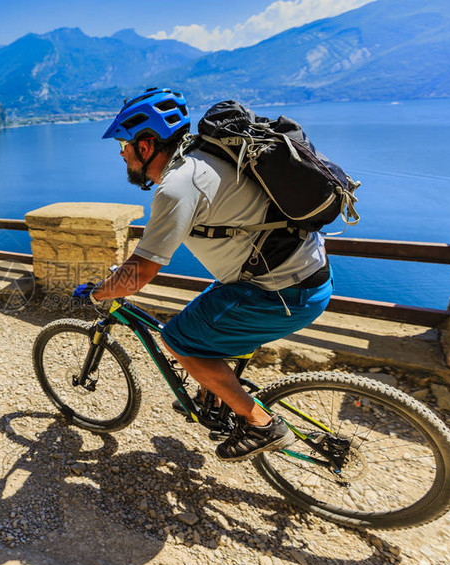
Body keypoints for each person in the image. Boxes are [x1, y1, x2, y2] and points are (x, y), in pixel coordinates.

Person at [72, 87, 333, 462]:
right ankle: (214, 394)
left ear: (146, 146)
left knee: (177, 340)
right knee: (203, 311)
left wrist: (98, 293)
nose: (121, 152)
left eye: (125, 143)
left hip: (280, 293)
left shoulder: (178, 186)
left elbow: (141, 272)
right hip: (299, 273)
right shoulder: (203, 156)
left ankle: (261, 424)